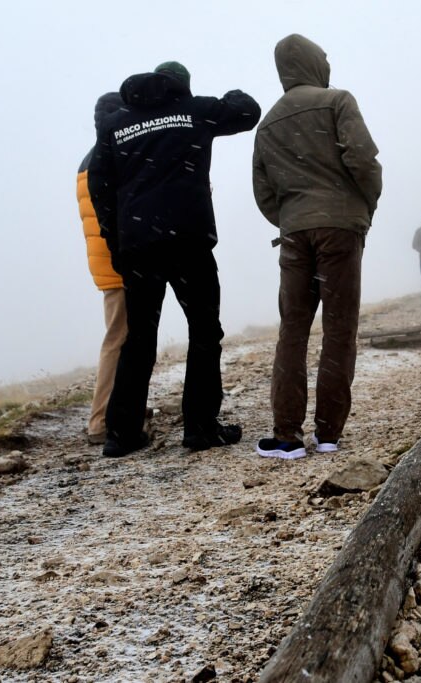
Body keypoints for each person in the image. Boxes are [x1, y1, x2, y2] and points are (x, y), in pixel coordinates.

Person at [88, 62, 261, 457]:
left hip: (138, 248)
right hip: (188, 241)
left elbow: (100, 187)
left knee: (138, 339)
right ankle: (200, 428)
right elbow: (248, 110)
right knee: (204, 332)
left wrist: (117, 242)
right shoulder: (194, 111)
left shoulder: (115, 125)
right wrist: (226, 95)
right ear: (181, 86)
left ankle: (121, 434)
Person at [252, 34, 382, 459]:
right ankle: (327, 433)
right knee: (339, 328)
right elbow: (363, 161)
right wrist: (362, 207)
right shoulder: (337, 101)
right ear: (315, 63)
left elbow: (263, 191)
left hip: (294, 233)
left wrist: (292, 219)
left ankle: (286, 434)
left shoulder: (268, 123)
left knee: (292, 329)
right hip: (340, 228)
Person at [77, 92, 126, 445]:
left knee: (120, 337)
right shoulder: (111, 157)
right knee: (118, 339)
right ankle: (100, 420)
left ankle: (117, 409)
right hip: (117, 259)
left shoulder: (89, 158)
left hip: (104, 259)